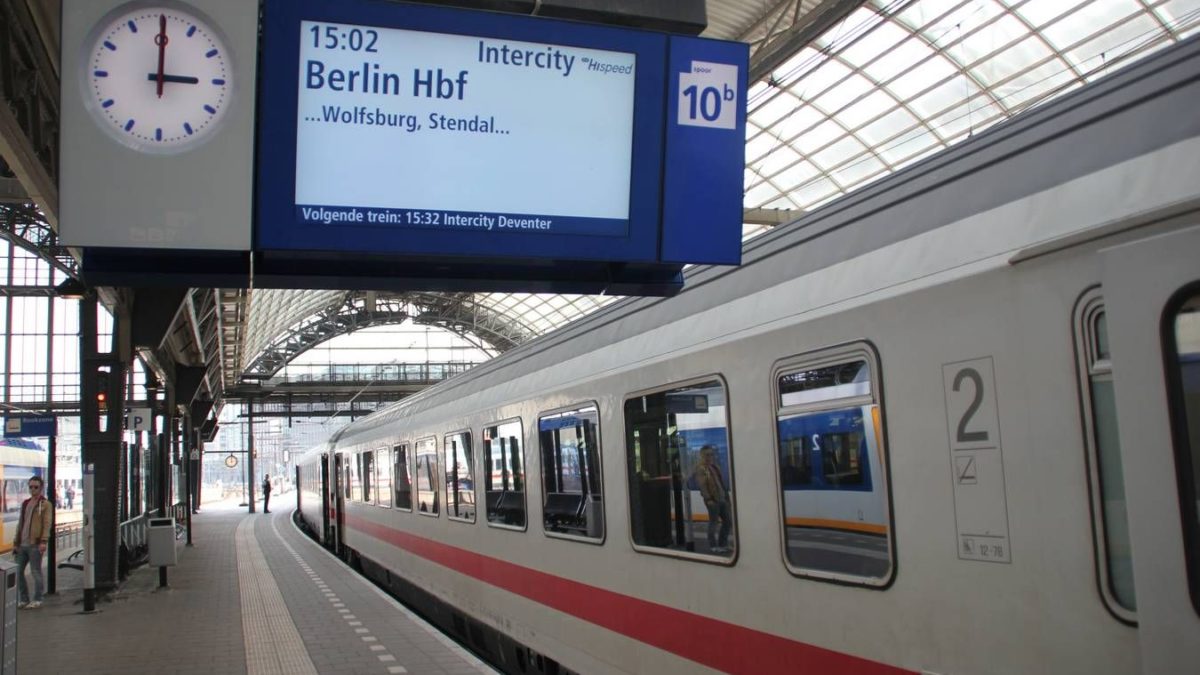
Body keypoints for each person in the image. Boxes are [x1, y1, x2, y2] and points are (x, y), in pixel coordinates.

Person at [12, 476, 53, 609]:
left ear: (41, 488)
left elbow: (47, 524)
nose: (33, 489)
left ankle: (38, 599)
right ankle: (24, 599)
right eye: (31, 487)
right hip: (22, 544)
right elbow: (21, 523)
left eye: (36, 487)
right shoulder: (26, 503)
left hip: (35, 544)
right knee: (18, 571)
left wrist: (43, 541)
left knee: (35, 571)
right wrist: (16, 542)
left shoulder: (45, 504)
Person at [693, 446, 732, 554]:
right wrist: (708, 499)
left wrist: (726, 497)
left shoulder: (714, 467)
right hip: (713, 500)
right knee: (713, 523)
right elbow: (703, 486)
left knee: (728, 521)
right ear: (702, 456)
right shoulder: (701, 469)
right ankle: (713, 546)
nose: (710, 457)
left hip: (721, 498)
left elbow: (720, 483)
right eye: (707, 455)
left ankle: (722, 544)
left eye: (711, 454)